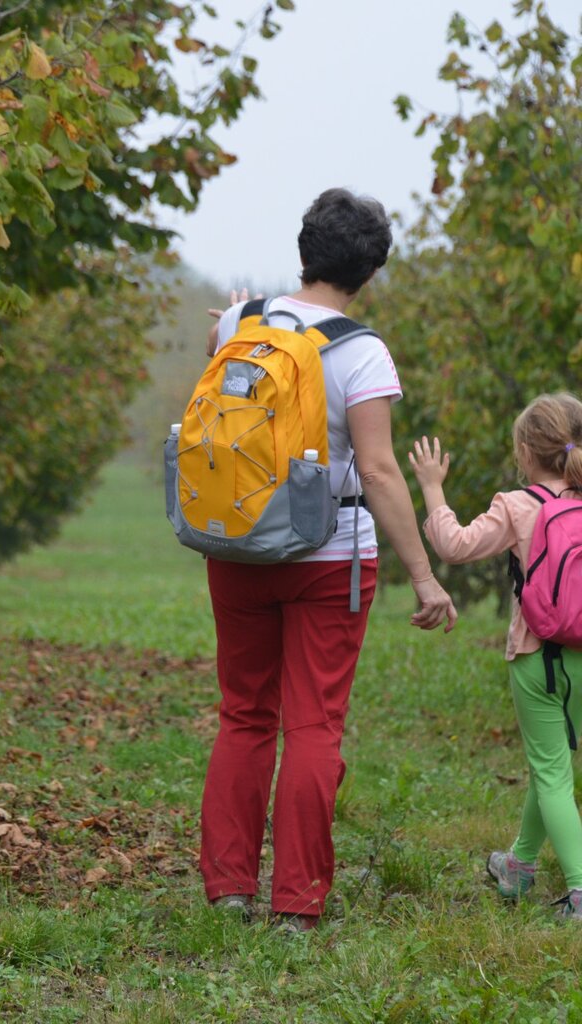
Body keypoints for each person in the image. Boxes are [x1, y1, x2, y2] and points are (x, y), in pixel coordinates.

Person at [200, 188, 457, 933]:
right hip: (329, 556)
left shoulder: (240, 324)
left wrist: (236, 319)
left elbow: (223, 387)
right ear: (370, 271)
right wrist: (424, 576)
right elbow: (377, 470)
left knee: (243, 714)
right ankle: (296, 903)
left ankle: (229, 889)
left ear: (304, 249)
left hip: (238, 545)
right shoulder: (360, 350)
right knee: (313, 726)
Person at [409, 393, 582, 920]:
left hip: (536, 656)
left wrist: (432, 487)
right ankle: (519, 866)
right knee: (553, 764)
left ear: (525, 452)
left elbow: (455, 545)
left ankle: (580, 892)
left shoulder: (518, 505)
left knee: (552, 772)